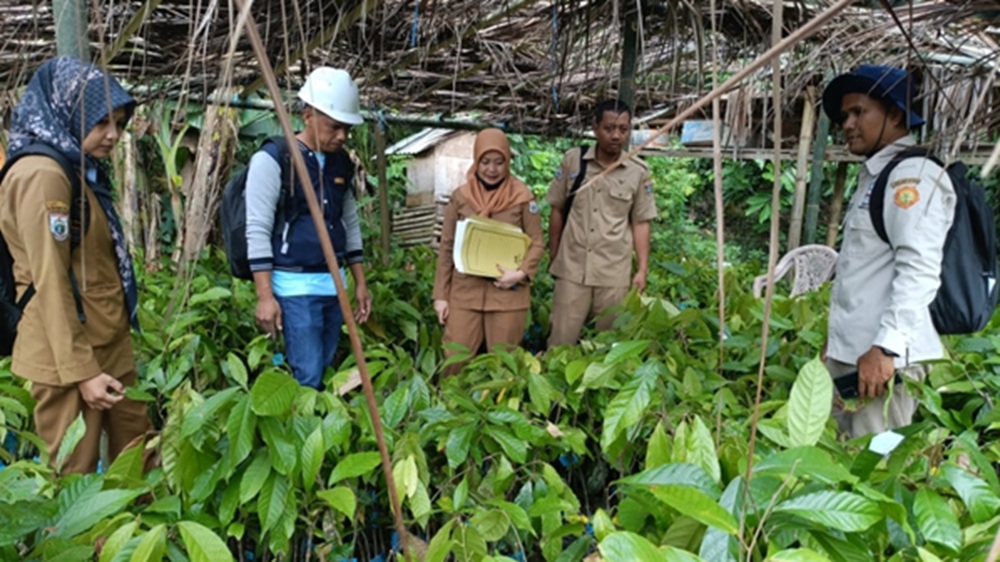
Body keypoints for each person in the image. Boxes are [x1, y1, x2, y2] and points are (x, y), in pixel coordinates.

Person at [0, 56, 152, 473]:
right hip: (64, 358)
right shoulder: (43, 175)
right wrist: (82, 373)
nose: (112, 135)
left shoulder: (76, 168)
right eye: (101, 122)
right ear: (67, 111)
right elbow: (49, 280)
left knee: (140, 460)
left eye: (119, 124)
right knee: (76, 480)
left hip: (104, 341)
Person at [821, 65, 955, 437]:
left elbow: (919, 269)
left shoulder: (911, 178)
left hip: (881, 360)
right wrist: (835, 343)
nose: (847, 123)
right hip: (855, 353)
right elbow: (864, 273)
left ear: (895, 114)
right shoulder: (878, 175)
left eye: (859, 112)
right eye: (844, 115)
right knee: (845, 462)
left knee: (874, 469)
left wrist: (886, 349)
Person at [245, 67, 372, 390]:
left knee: (327, 369)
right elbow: (257, 228)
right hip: (294, 287)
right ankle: (302, 436)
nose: (342, 135)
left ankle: (319, 432)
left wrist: (359, 282)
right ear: (307, 116)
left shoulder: (342, 162)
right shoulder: (275, 158)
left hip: (334, 285)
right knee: (308, 376)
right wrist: (264, 297)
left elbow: (349, 222)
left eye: (346, 128)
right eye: (334, 127)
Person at [546, 100, 658, 348]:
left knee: (608, 346)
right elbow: (557, 210)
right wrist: (554, 254)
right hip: (572, 270)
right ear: (595, 128)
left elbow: (641, 222)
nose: (616, 135)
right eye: (609, 128)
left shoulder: (638, 171)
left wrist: (641, 269)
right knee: (560, 342)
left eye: (623, 129)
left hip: (613, 273)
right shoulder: (573, 162)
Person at [433, 129, 544, 376]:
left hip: (507, 295)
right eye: (485, 162)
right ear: (476, 161)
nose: (491, 169)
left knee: (503, 365)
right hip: (465, 292)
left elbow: (537, 242)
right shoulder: (461, 197)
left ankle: (497, 410)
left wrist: (521, 273)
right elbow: (447, 247)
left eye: (498, 162)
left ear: (507, 161)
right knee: (455, 359)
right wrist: (441, 296)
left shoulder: (522, 197)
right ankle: (451, 407)